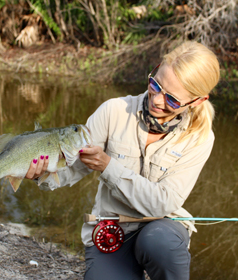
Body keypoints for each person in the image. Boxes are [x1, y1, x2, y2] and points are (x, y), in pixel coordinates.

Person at [25, 41, 220, 280]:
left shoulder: (200, 138)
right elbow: (71, 168)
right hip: (111, 229)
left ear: (197, 101)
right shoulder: (113, 111)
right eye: (155, 85)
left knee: (161, 243)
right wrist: (40, 173)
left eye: (172, 100)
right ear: (155, 70)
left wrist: (108, 166)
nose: (157, 100)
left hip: (162, 228)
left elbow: (163, 202)